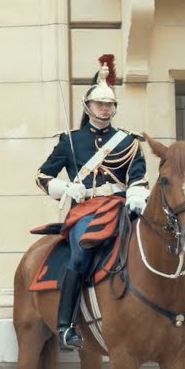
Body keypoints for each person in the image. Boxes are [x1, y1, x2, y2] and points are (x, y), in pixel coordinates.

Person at [34, 54, 150, 349]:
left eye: (110, 104)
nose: (105, 108)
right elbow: (42, 176)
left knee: (162, 239)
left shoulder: (129, 142)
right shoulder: (70, 141)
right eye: (99, 104)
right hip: (86, 210)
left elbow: (138, 177)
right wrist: (65, 187)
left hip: (121, 206)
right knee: (81, 255)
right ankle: (66, 325)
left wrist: (136, 195)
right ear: (87, 107)